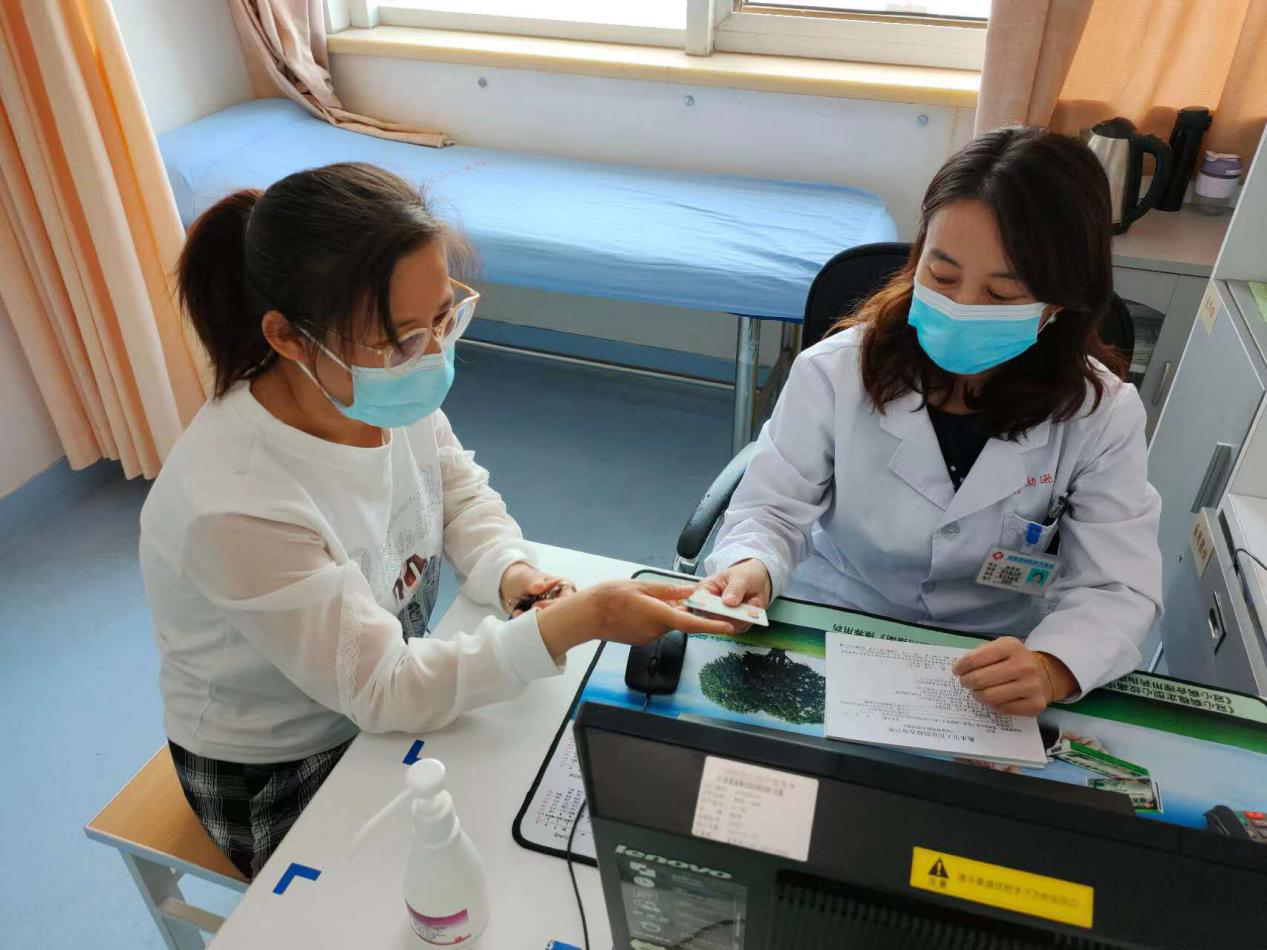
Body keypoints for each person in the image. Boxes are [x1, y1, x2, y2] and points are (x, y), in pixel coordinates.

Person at [139, 163, 734, 878]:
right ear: (289, 338)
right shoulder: (235, 503)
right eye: (399, 340)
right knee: (476, 872)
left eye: (444, 318)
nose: (431, 356)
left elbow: (457, 493)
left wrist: (512, 572)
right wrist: (579, 621)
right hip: (283, 764)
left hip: (381, 692)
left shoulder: (373, 391)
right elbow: (384, 689)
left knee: (527, 805)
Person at [700, 128, 1162, 716]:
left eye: (1001, 295)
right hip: (838, 618)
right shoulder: (835, 372)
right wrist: (752, 565)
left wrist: (1054, 665)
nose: (962, 306)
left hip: (991, 656)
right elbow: (770, 510)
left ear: (1058, 301)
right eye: (942, 277)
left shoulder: (1101, 415)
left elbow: (1116, 586)